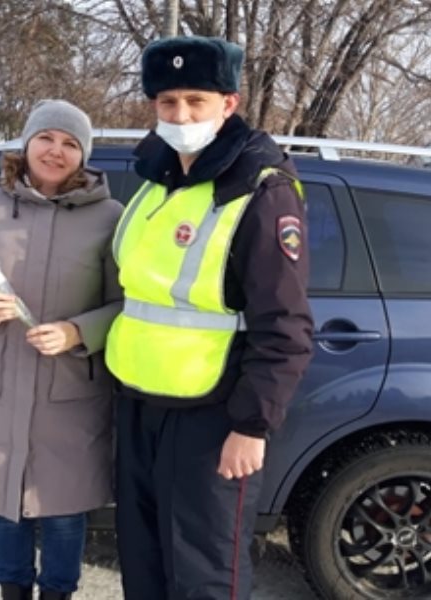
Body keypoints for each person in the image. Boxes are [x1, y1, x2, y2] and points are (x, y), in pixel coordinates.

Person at [105, 36, 314, 599]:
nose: (181, 115)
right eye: (168, 103)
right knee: (145, 566)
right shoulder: (154, 181)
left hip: (214, 417)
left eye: (196, 101)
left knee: (204, 574)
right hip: (141, 404)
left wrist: (252, 425)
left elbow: (286, 325)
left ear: (229, 102)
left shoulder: (260, 190)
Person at [0, 99, 123, 600]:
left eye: (70, 143)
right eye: (46, 138)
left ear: (84, 155)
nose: (56, 151)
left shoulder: (111, 217)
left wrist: (78, 332)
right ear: (26, 143)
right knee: (6, 503)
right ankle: (12, 591)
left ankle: (59, 592)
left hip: (69, 390)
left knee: (63, 509)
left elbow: (126, 305)